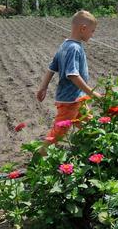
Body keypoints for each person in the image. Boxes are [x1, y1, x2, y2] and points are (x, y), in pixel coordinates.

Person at [36, 10, 101, 143]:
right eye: (92, 31)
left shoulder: (65, 45)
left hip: (77, 99)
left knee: (90, 125)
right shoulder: (74, 48)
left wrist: (43, 87)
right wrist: (93, 93)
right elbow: (73, 75)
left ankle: (91, 148)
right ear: (83, 28)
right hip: (70, 100)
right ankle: (39, 156)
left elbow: (51, 68)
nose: (92, 34)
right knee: (59, 132)